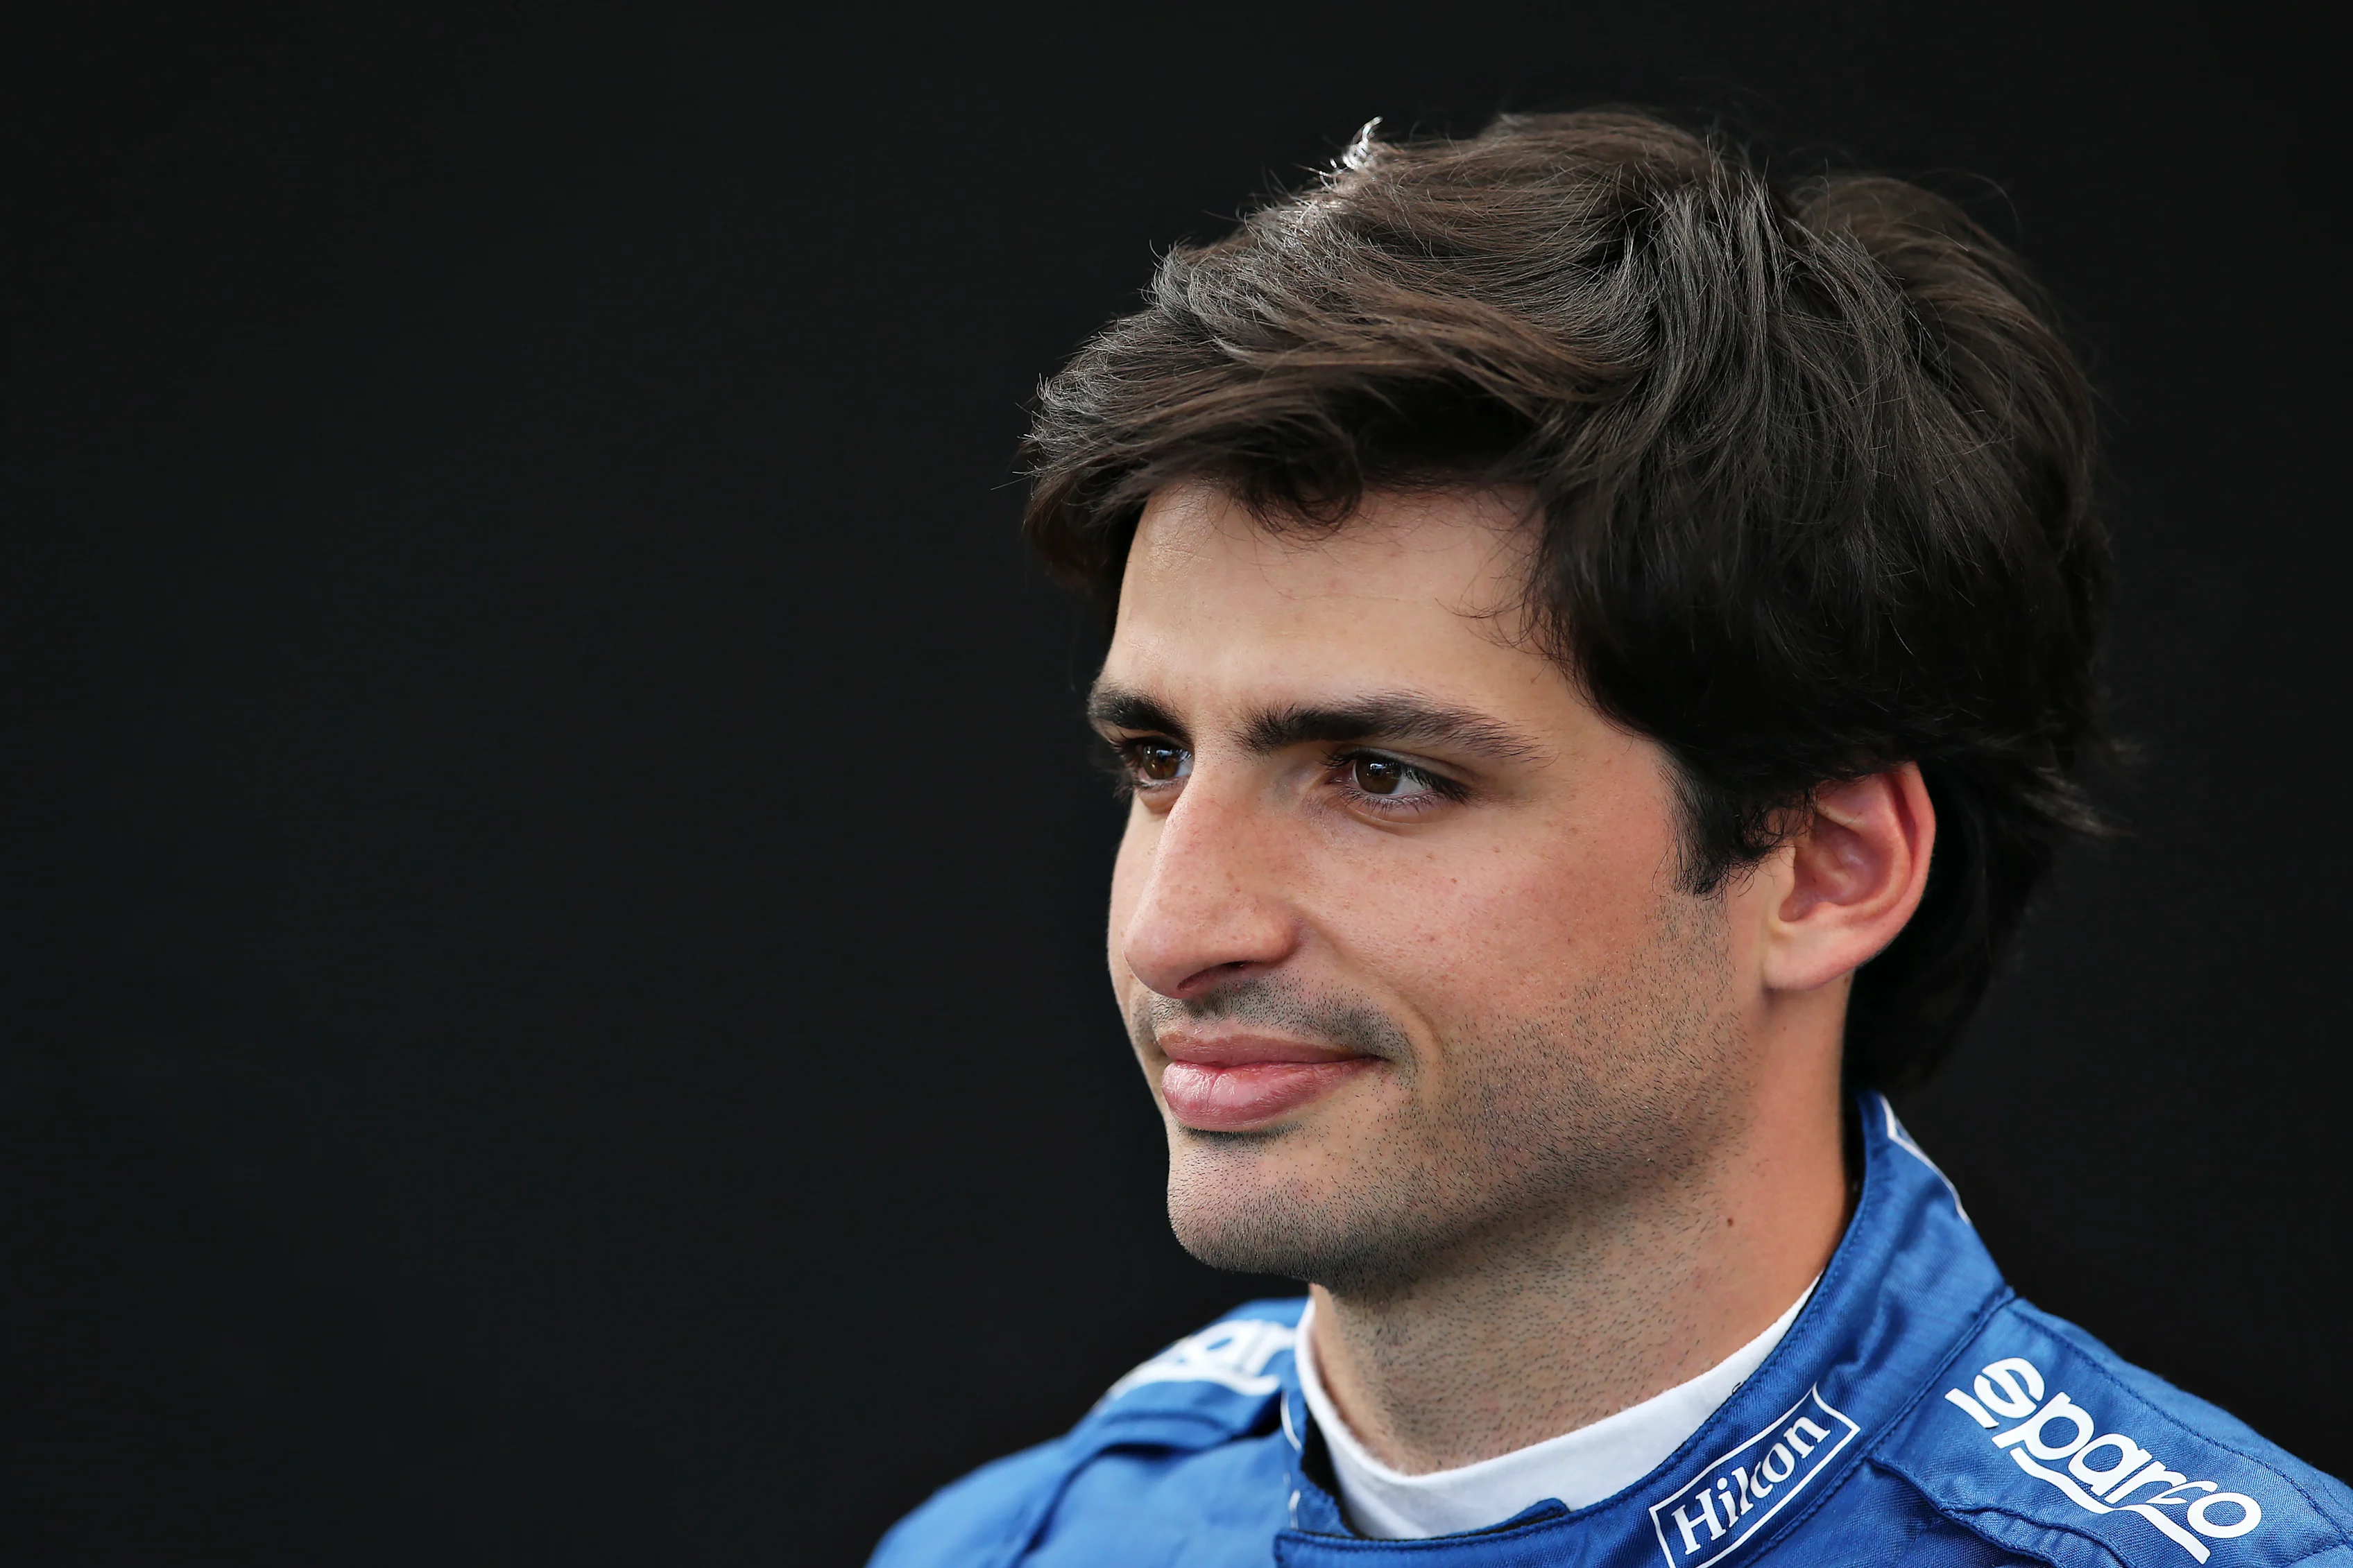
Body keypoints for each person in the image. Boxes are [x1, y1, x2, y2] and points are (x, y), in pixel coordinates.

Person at [870, 110, 2352, 1566]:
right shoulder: (1008, 1543)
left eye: (1381, 775)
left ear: (1828, 865)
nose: (1170, 930)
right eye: (1155, 757)